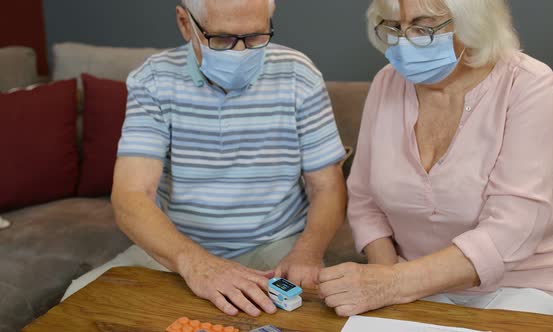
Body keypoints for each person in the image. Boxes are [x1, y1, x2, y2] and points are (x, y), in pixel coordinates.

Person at [62, 0, 347, 317]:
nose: (241, 53)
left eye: (255, 37)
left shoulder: (299, 75)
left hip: (277, 246)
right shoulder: (152, 81)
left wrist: (307, 253)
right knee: (76, 306)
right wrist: (196, 263)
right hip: (179, 246)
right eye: (223, 39)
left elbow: (328, 187)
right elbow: (131, 195)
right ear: (185, 23)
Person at [319, 0, 553, 317]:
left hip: (522, 285)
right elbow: (364, 199)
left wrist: (393, 284)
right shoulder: (387, 83)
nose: (404, 42)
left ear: (472, 23)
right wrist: (385, 279)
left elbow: (513, 227)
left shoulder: (528, 83)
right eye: (394, 26)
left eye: (423, 26)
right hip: (413, 285)